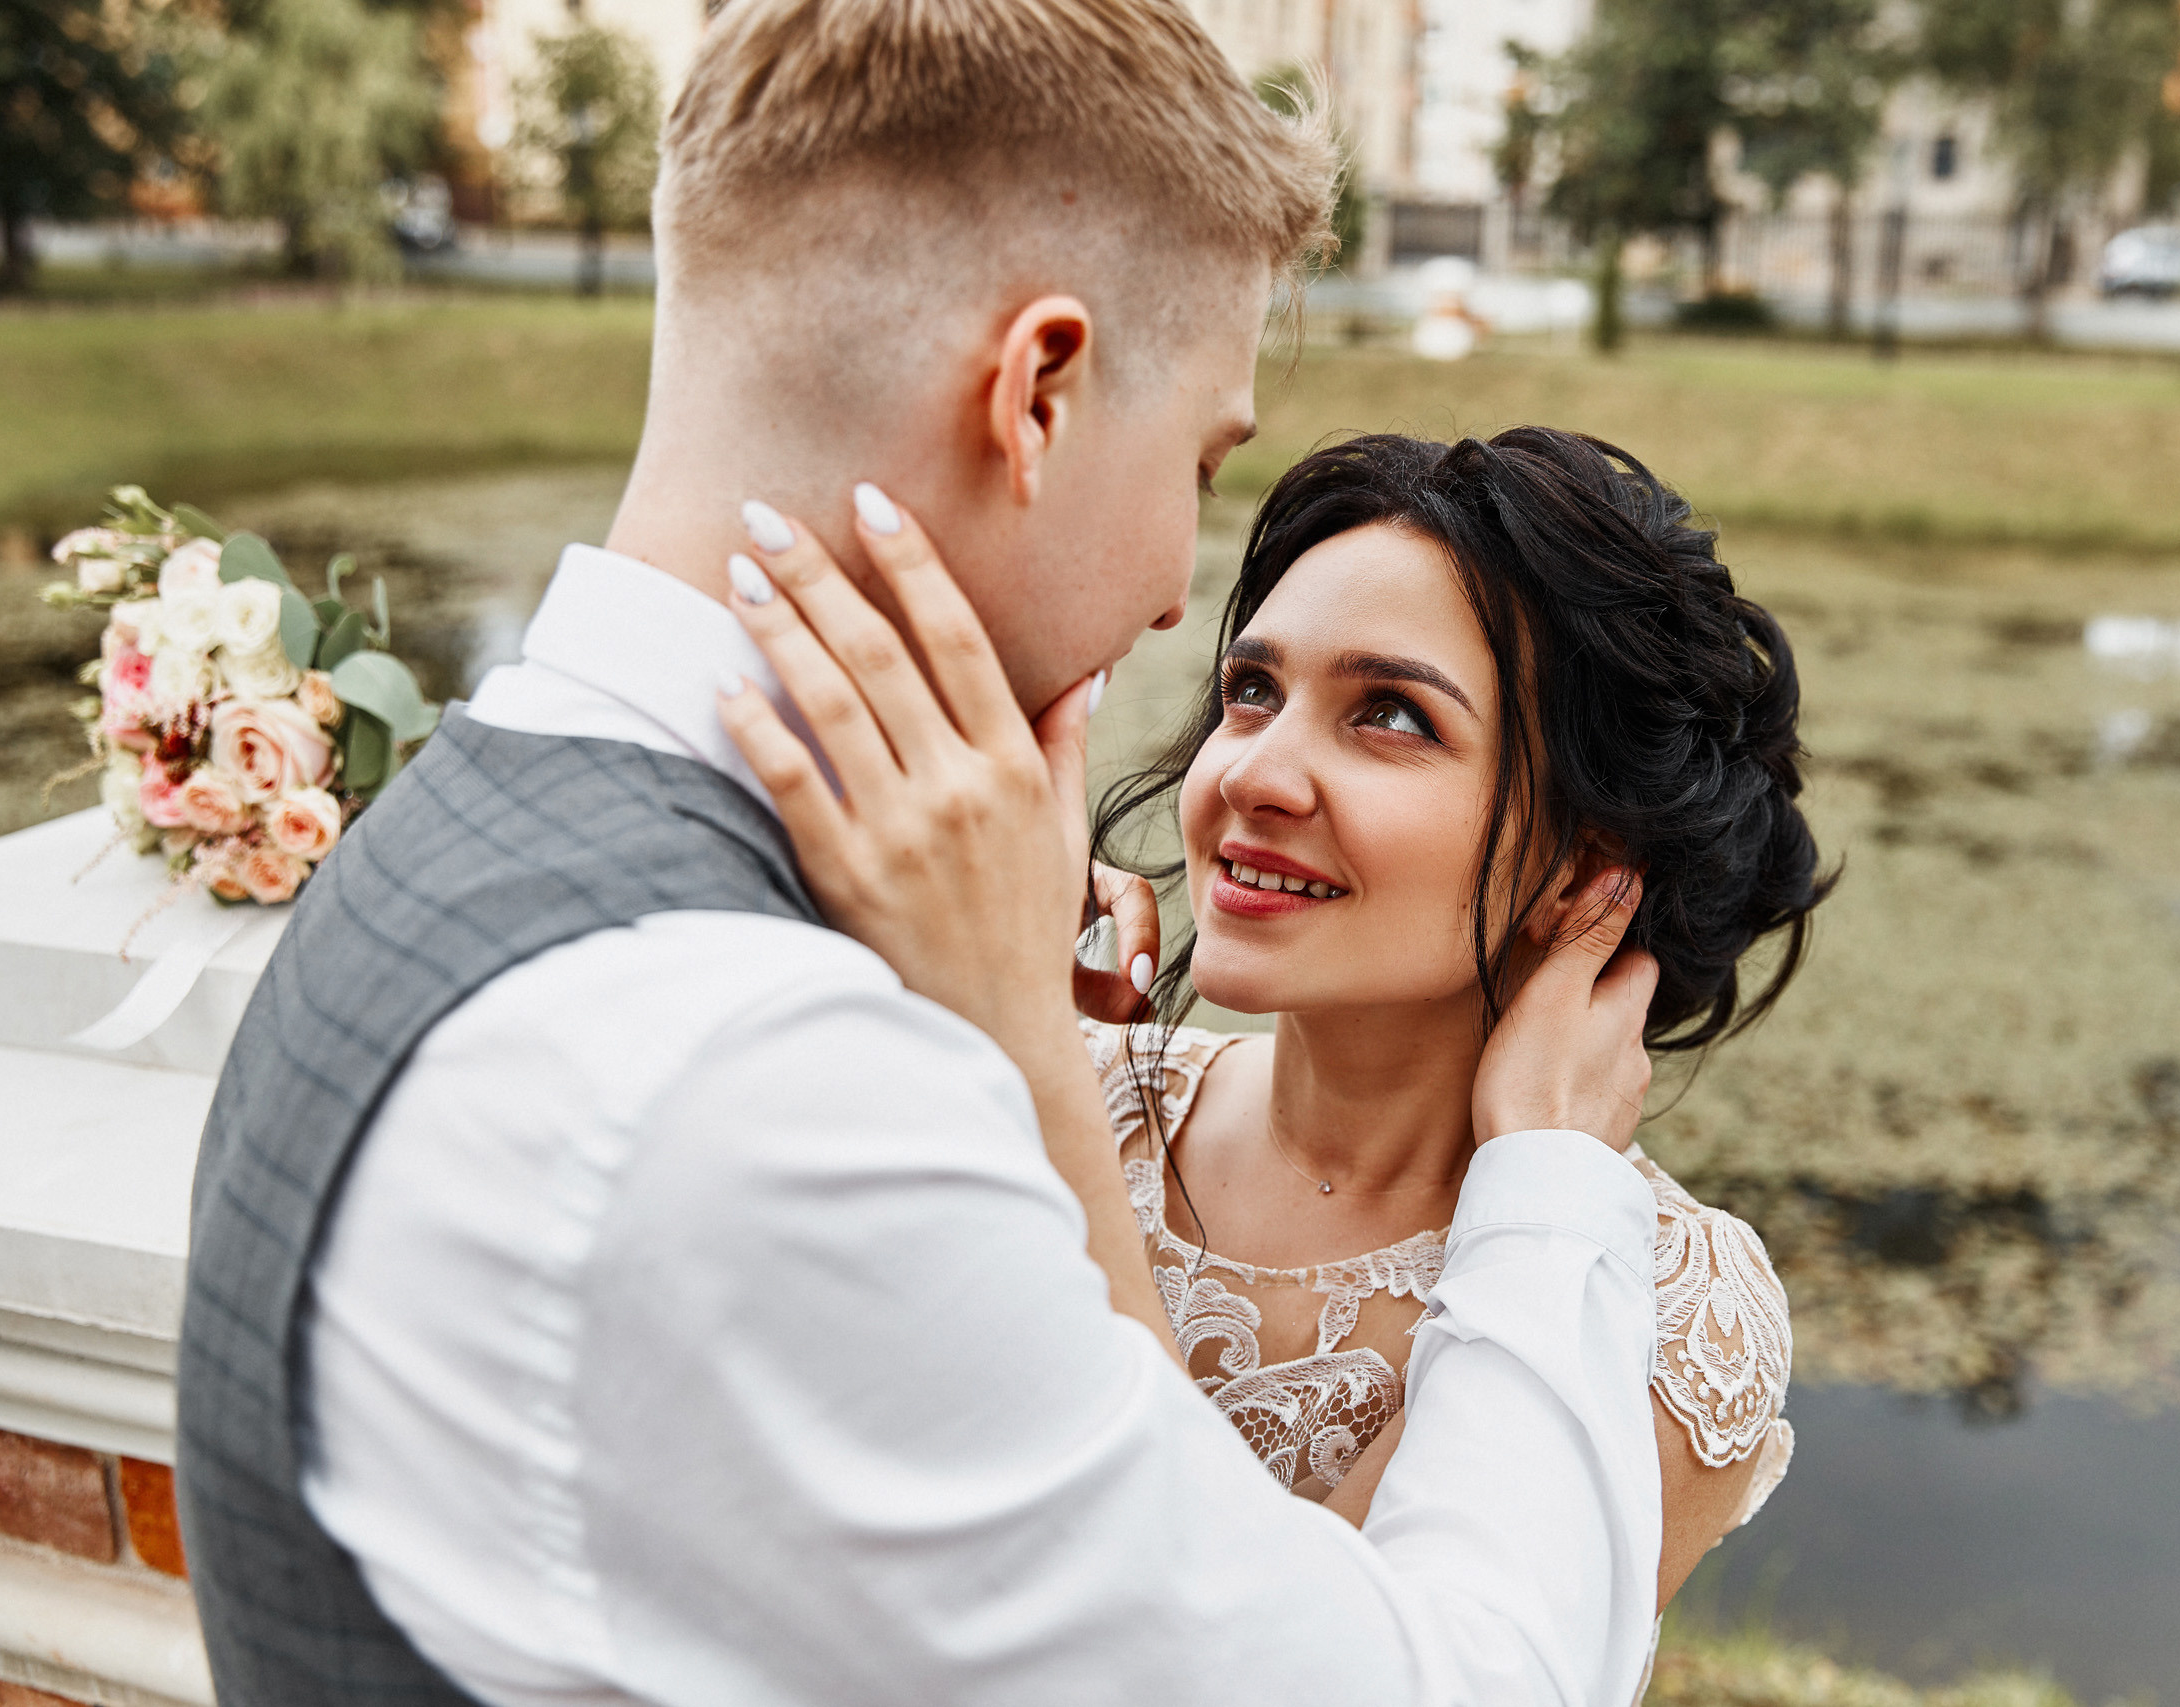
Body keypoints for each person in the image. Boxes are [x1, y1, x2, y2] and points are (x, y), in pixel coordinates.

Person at [175, 4, 1676, 1705]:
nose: (1186, 588)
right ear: (1037, 391)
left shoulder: (474, 832)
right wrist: (1549, 1182)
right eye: (1202, 458)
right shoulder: (755, 1074)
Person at [718, 428, 1830, 1643]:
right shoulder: (1049, 1077)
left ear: (1584, 865)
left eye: (1391, 715)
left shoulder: (1661, 1301)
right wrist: (959, 1018)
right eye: (1252, 691)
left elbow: (1265, 1661)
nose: (1254, 772)